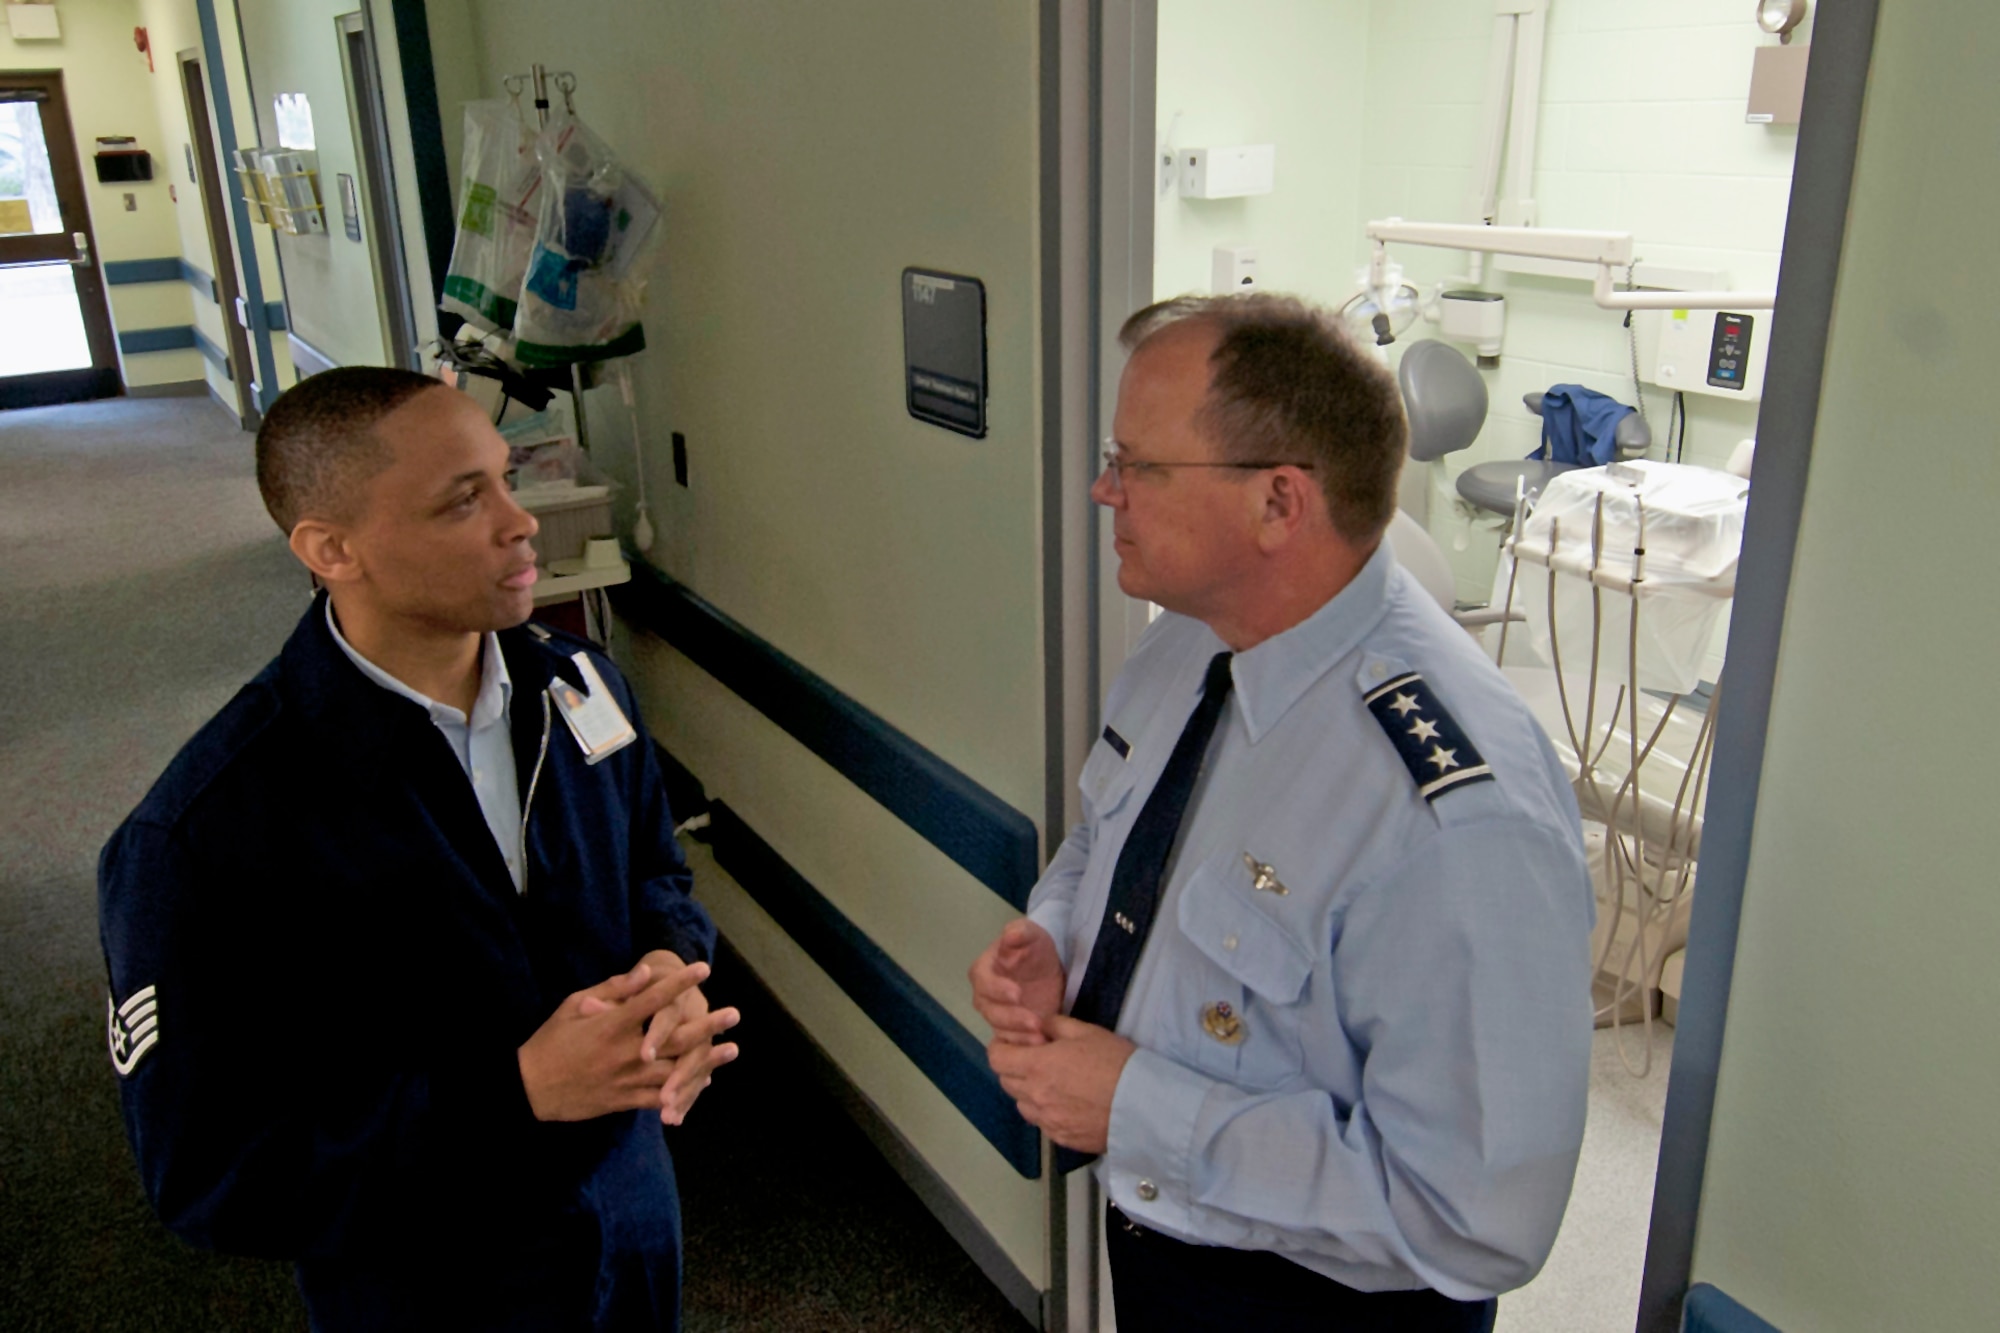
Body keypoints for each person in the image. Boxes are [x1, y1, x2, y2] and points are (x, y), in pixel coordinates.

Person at [970, 294, 1594, 1331]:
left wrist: (1140, 1110)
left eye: (1136, 466)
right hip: (1164, 1248)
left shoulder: (1453, 815)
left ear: (1277, 503)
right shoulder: (1185, 644)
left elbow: (1476, 1217)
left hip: (1317, 1301)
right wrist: (1054, 936)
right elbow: (1105, 833)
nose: (1101, 489)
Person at [98, 367, 740, 1331]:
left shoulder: (581, 688)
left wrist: (669, 971)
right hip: (434, 1280)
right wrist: (514, 1096)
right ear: (331, 548)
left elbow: (653, 869)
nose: (520, 522)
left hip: (631, 1221)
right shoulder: (204, 834)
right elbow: (209, 1171)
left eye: (507, 478)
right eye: (463, 501)